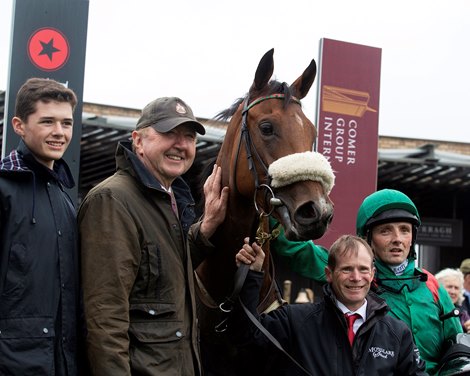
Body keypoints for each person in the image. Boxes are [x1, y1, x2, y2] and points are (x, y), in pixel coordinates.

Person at [78, 96, 229, 375]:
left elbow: (161, 277)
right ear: (138, 141)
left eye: (189, 137)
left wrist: (205, 228)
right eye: (169, 134)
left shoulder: (169, 198)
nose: (181, 145)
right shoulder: (113, 200)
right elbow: (104, 319)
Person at [269, 189, 462, 374]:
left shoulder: (432, 285)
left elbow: (458, 349)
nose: (397, 239)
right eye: (385, 231)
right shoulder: (355, 279)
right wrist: (268, 209)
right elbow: (295, 249)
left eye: (405, 230)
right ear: (366, 238)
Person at [235, 234, 428, 375]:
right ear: (329, 274)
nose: (356, 277)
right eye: (346, 269)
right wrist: (253, 275)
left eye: (362, 269)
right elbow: (246, 339)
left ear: (372, 274)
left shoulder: (397, 333)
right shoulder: (294, 320)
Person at [0, 78, 84, 375]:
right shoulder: (4, 188)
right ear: (19, 126)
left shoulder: (65, 196)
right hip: (13, 363)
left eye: (67, 123)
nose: (59, 132)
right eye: (47, 121)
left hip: (61, 361)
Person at [435, 268, 470, 333]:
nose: (453, 292)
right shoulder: (431, 309)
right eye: (449, 287)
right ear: (438, 288)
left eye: (456, 288)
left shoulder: (463, 313)